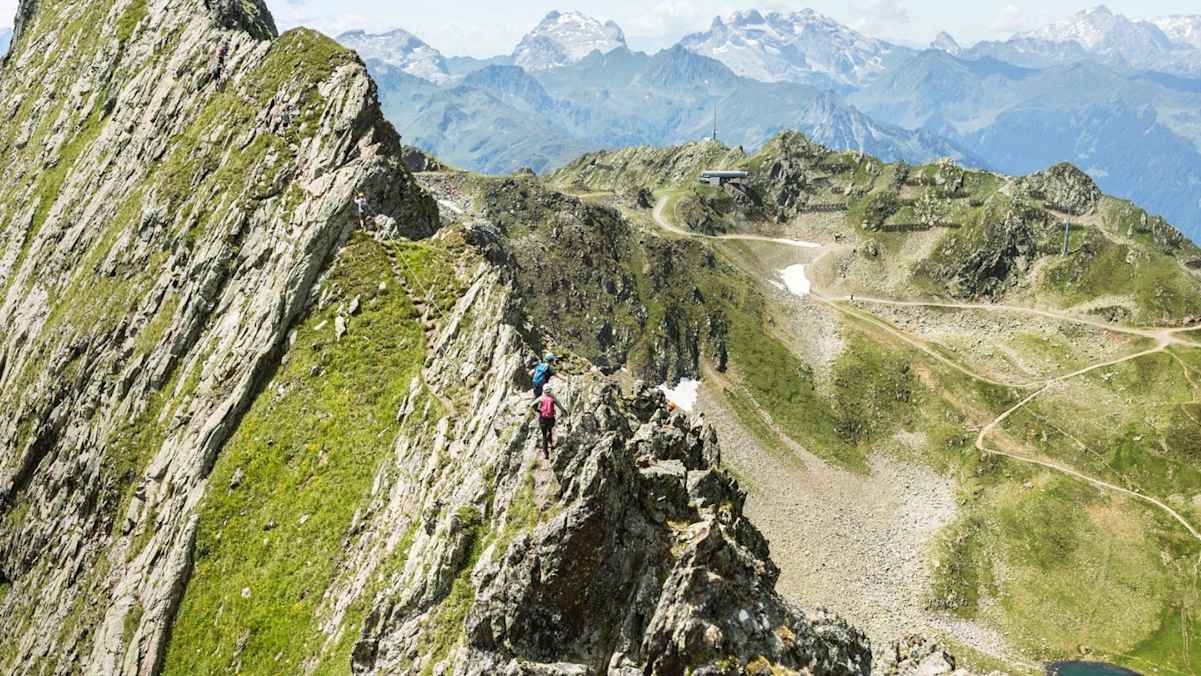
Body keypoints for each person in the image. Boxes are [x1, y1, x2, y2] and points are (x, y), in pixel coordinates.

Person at [533, 384, 567, 455]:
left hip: (542, 418)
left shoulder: (541, 398)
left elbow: (532, 405)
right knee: (550, 430)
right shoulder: (553, 398)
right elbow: (560, 406)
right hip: (550, 418)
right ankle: (551, 444)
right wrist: (564, 412)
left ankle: (545, 453)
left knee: (544, 435)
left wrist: (538, 410)